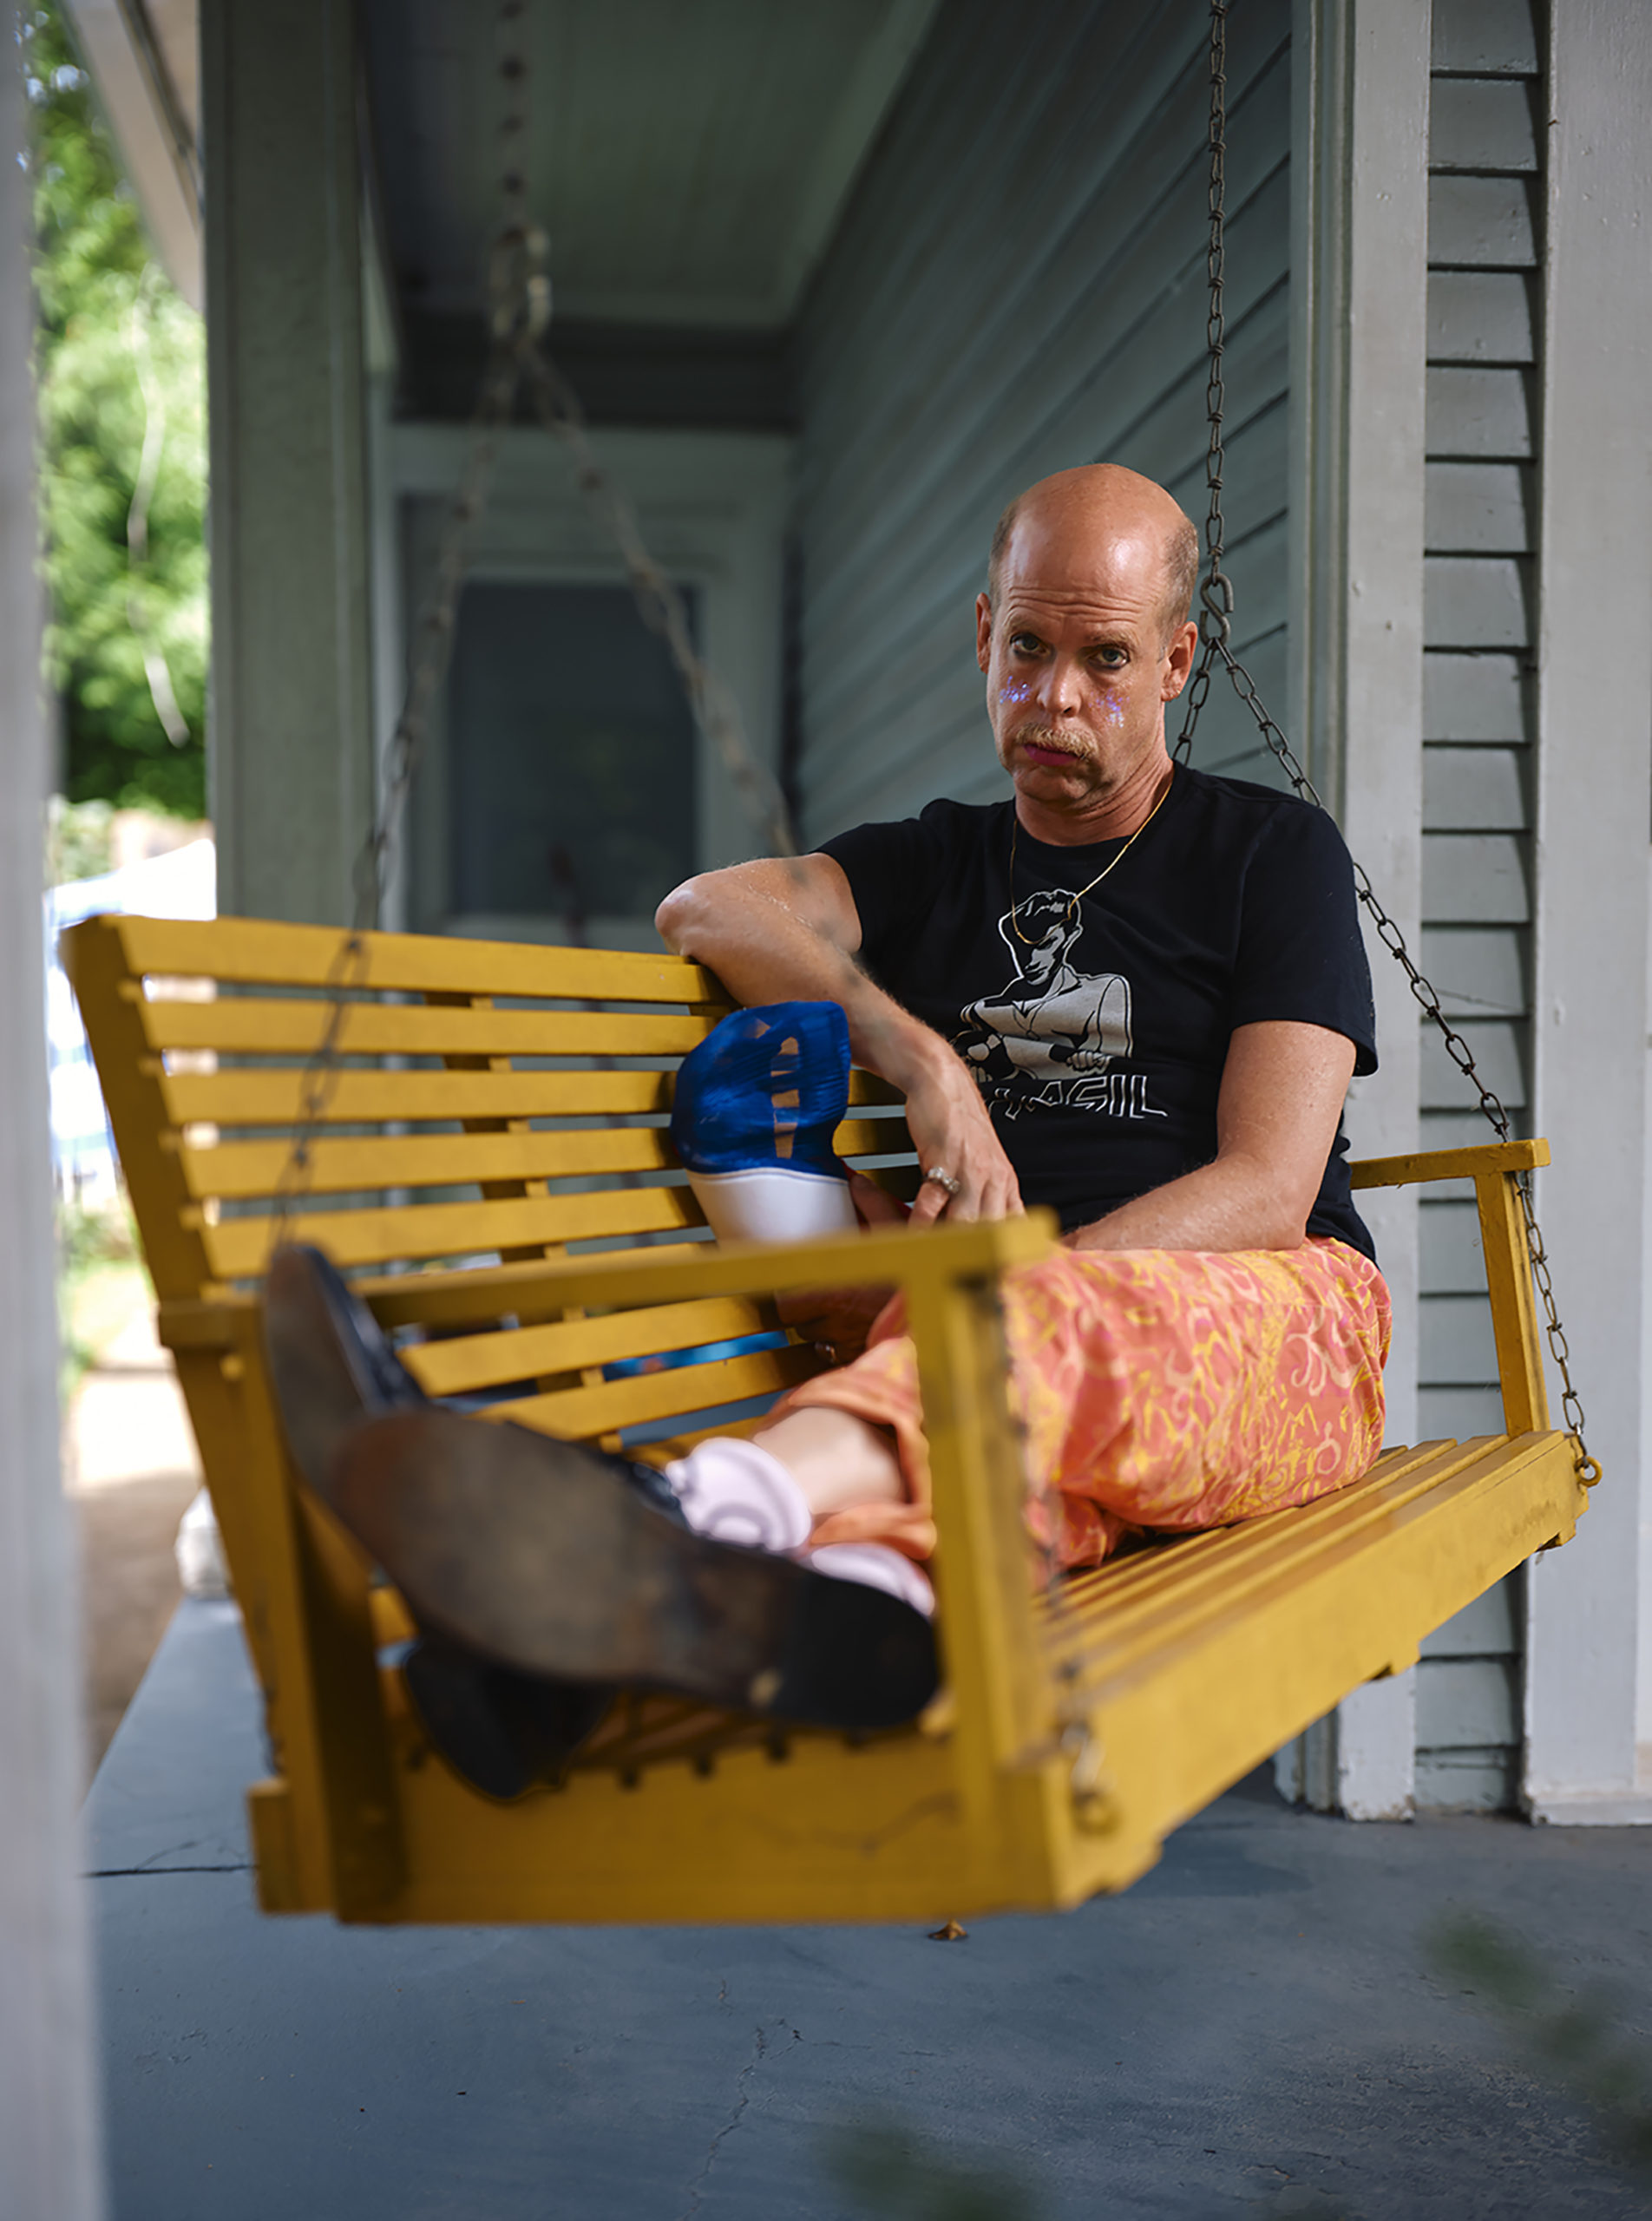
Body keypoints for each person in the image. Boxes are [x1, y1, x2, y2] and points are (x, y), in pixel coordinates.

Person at [266, 463, 1389, 1795]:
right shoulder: (935, 866)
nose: (1057, 698)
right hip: (1005, 1380)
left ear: (1177, 665)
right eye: (1027, 647)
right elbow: (705, 907)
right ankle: (608, 1662)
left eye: (1106, 659)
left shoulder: (1272, 854)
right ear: (984, 635)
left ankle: (665, 1519)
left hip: (1277, 1327)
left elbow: (1268, 1187)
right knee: (988, 1469)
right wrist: (920, 1060)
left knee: (1013, 1334)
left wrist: (1022, 1280)